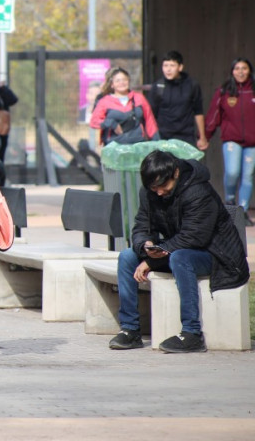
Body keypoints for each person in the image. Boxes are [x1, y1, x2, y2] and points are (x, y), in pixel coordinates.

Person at [109, 150, 249, 352]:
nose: (158, 192)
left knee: (180, 258)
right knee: (127, 257)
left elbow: (195, 237)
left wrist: (152, 261)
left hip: (218, 256)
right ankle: (130, 330)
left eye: (163, 186)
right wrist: (145, 245)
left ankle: (192, 333)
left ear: (175, 173)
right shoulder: (151, 192)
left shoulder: (198, 191)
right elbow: (141, 226)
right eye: (153, 187)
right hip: (178, 249)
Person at [204, 58, 255, 226]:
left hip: (252, 143)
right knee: (232, 172)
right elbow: (213, 116)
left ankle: (243, 210)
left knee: (247, 176)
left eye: (244, 68)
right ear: (232, 71)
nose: (240, 72)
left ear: (249, 71)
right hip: (232, 140)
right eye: (237, 68)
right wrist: (205, 136)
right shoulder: (224, 91)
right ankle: (230, 202)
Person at [149, 50, 207, 150]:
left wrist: (202, 136)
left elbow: (198, 111)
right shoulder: (158, 86)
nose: (168, 69)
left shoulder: (191, 85)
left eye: (172, 65)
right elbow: (151, 115)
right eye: (165, 65)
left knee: (186, 165)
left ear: (180, 67)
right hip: (163, 138)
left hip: (186, 137)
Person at [90, 67, 159, 146]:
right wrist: (111, 123)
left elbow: (150, 121)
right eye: (118, 81)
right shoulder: (105, 101)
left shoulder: (139, 98)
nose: (121, 83)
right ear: (112, 84)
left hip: (138, 144)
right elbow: (94, 121)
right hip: (114, 147)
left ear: (128, 81)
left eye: (124, 80)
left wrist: (157, 142)